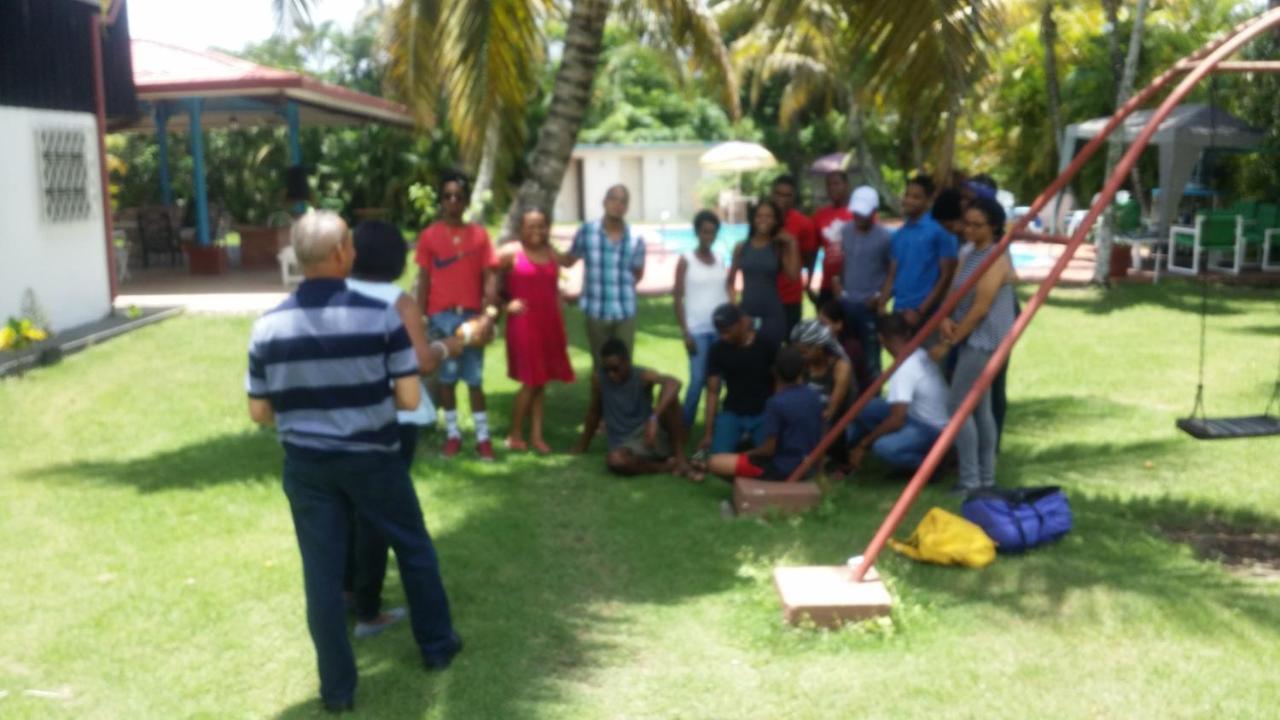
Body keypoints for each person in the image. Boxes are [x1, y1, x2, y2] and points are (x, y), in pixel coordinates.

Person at [246, 211, 462, 714]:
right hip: (373, 458)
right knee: (412, 547)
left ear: (301, 257)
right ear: (345, 251)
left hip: (306, 467)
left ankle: (338, 691)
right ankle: (436, 646)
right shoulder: (379, 315)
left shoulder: (268, 325)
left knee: (321, 577)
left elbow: (259, 412)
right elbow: (410, 400)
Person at [344, 221, 472, 640]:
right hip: (396, 418)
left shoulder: (340, 297)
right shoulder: (398, 303)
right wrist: (448, 346)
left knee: (351, 507)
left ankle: (348, 591)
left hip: (350, 417)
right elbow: (421, 361)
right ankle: (368, 610)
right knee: (383, 518)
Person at [930, 196, 1018, 493]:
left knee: (959, 405)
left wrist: (949, 343)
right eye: (966, 223)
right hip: (970, 335)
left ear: (993, 227)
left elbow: (981, 308)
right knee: (979, 409)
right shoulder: (969, 252)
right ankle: (984, 478)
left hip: (985, 340)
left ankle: (971, 480)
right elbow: (956, 293)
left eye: (976, 225)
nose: (968, 229)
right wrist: (945, 317)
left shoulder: (997, 257)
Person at [415, 172, 499, 460]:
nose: (453, 201)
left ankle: (483, 438)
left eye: (458, 197)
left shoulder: (479, 235)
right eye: (448, 196)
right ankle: (452, 434)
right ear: (441, 202)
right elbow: (423, 279)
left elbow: (490, 277)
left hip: (471, 317)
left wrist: (489, 314)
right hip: (440, 317)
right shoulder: (429, 236)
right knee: (447, 380)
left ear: (465, 202)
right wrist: (420, 315)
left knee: (475, 380)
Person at [496, 208, 575, 454]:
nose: (537, 231)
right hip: (524, 324)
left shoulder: (550, 253)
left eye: (541, 225)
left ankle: (537, 436)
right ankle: (514, 434)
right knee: (530, 381)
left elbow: (566, 268)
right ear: (521, 228)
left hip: (549, 324)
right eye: (531, 226)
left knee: (541, 382)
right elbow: (487, 276)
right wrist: (504, 304)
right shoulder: (511, 252)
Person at [573, 338, 697, 479]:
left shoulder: (642, 375)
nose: (611, 374)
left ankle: (680, 458)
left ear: (627, 362)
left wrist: (654, 418)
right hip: (626, 445)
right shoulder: (599, 379)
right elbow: (594, 412)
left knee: (669, 398)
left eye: (615, 368)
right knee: (616, 460)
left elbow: (673, 383)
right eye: (606, 369)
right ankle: (665, 467)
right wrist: (581, 445)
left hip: (650, 434)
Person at [698, 346, 824, 482]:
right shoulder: (814, 396)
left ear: (775, 372)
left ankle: (757, 485)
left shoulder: (776, 403)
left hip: (781, 468)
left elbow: (768, 450)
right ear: (802, 370)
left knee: (715, 462)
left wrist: (747, 454)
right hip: (807, 465)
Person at [848, 313, 950, 473]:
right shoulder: (919, 353)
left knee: (884, 447)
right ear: (907, 333)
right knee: (866, 408)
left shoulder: (903, 368)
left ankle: (932, 466)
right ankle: (847, 446)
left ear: (881, 339)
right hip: (926, 418)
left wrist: (865, 444)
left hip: (931, 429)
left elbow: (897, 420)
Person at [560, 184, 646, 369]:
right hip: (596, 311)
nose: (618, 204)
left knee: (624, 366)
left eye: (623, 201)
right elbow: (569, 260)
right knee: (600, 367)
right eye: (613, 199)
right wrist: (541, 249)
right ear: (604, 202)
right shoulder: (587, 232)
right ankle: (599, 399)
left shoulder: (636, 238)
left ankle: (621, 399)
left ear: (627, 207)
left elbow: (637, 273)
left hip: (625, 312)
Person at [673, 210, 729, 428]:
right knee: (697, 381)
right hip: (697, 330)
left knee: (716, 382)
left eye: (713, 232)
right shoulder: (686, 260)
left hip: (721, 331)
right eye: (705, 232)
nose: (709, 236)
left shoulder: (720, 259)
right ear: (697, 233)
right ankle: (683, 427)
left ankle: (712, 426)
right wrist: (685, 331)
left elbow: (725, 290)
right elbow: (677, 297)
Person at [699, 304, 779, 455]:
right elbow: (712, 392)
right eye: (720, 332)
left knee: (770, 454)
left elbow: (779, 381)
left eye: (728, 331)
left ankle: (746, 441)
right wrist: (708, 433)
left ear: (742, 322)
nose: (724, 337)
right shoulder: (717, 350)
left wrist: (777, 416)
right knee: (719, 454)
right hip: (733, 412)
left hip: (763, 412)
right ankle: (741, 440)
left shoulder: (766, 343)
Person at [880, 175, 958, 327]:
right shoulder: (899, 234)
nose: (909, 200)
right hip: (899, 310)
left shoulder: (939, 231)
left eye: (916, 197)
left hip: (926, 313)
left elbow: (947, 276)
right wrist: (882, 303)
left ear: (928, 201)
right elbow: (893, 273)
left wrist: (921, 311)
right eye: (907, 195)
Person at [833, 185, 892, 377]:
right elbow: (844, 260)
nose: (858, 216)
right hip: (847, 302)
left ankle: (872, 398)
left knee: (871, 360)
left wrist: (880, 297)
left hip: (870, 307)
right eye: (856, 212)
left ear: (874, 212)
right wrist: (839, 286)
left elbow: (892, 271)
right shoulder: (846, 231)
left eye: (863, 213)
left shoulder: (885, 237)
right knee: (846, 354)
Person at [728, 199, 799, 348]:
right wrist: (735, 307)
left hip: (772, 314)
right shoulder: (741, 247)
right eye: (759, 216)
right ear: (753, 219)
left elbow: (793, 276)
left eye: (769, 216)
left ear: (775, 220)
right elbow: (730, 281)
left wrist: (792, 243)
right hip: (747, 313)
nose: (763, 220)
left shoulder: (778, 247)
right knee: (748, 360)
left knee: (771, 360)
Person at [791, 320, 854, 476]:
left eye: (805, 352)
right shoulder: (803, 364)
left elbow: (833, 408)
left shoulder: (841, 366)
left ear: (819, 347)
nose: (801, 356)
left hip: (835, 420)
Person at [770, 175, 817, 338]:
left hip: (791, 297)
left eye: (787, 195)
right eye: (778, 194)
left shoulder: (804, 224)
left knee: (792, 346)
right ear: (771, 194)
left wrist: (808, 283)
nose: (782, 199)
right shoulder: (761, 221)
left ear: (794, 197)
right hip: (765, 296)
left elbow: (810, 257)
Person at [811, 170, 854, 310]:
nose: (832, 188)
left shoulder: (858, 213)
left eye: (836, 184)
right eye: (829, 185)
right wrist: (809, 282)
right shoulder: (819, 216)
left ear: (846, 185)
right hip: (827, 284)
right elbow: (814, 251)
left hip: (853, 283)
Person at [817, 300, 872, 394]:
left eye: (823, 324)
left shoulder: (851, 348)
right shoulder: (819, 347)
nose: (818, 329)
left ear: (838, 324)